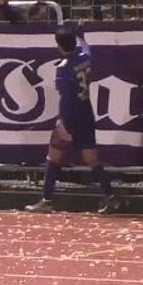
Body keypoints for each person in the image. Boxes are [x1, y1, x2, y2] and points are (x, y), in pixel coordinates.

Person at [26, 28, 117, 214]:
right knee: (91, 158)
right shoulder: (84, 57)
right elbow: (88, 48)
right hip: (86, 112)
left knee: (53, 157)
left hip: (71, 115)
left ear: (58, 45)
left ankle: (47, 199)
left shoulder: (63, 67)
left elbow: (66, 97)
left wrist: (61, 122)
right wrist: (81, 34)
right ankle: (110, 195)